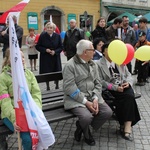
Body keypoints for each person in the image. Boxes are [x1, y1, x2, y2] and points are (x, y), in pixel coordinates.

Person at [63, 39, 112, 146]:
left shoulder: (93, 64)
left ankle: (82, 126)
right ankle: (87, 134)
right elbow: (69, 88)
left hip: (92, 96)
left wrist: (95, 98)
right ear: (85, 52)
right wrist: (86, 102)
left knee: (107, 112)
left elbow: (98, 83)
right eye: (93, 50)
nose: (95, 52)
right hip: (75, 99)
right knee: (86, 117)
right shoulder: (70, 65)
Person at [96, 43, 141, 141]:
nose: (112, 51)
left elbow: (129, 75)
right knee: (128, 97)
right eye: (109, 49)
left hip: (122, 87)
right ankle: (125, 127)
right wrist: (115, 88)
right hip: (109, 90)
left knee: (129, 94)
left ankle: (126, 126)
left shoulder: (119, 61)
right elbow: (100, 81)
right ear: (103, 52)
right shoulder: (98, 64)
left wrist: (128, 83)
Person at [0, 49, 42, 150]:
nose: (22, 59)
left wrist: (36, 110)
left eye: (23, 57)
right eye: (18, 57)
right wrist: (14, 118)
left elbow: (36, 94)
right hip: (12, 113)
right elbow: (4, 101)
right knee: (28, 138)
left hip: (29, 111)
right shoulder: (3, 77)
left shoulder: (29, 74)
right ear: (9, 60)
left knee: (39, 133)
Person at [35, 22, 63, 90]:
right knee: (46, 71)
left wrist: (55, 51)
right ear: (46, 28)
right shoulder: (42, 36)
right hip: (46, 57)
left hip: (55, 57)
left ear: (53, 29)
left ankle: (57, 84)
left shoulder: (57, 36)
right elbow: (38, 46)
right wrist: (45, 50)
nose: (49, 29)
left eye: (51, 28)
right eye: (48, 28)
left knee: (56, 71)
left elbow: (61, 47)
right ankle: (47, 86)